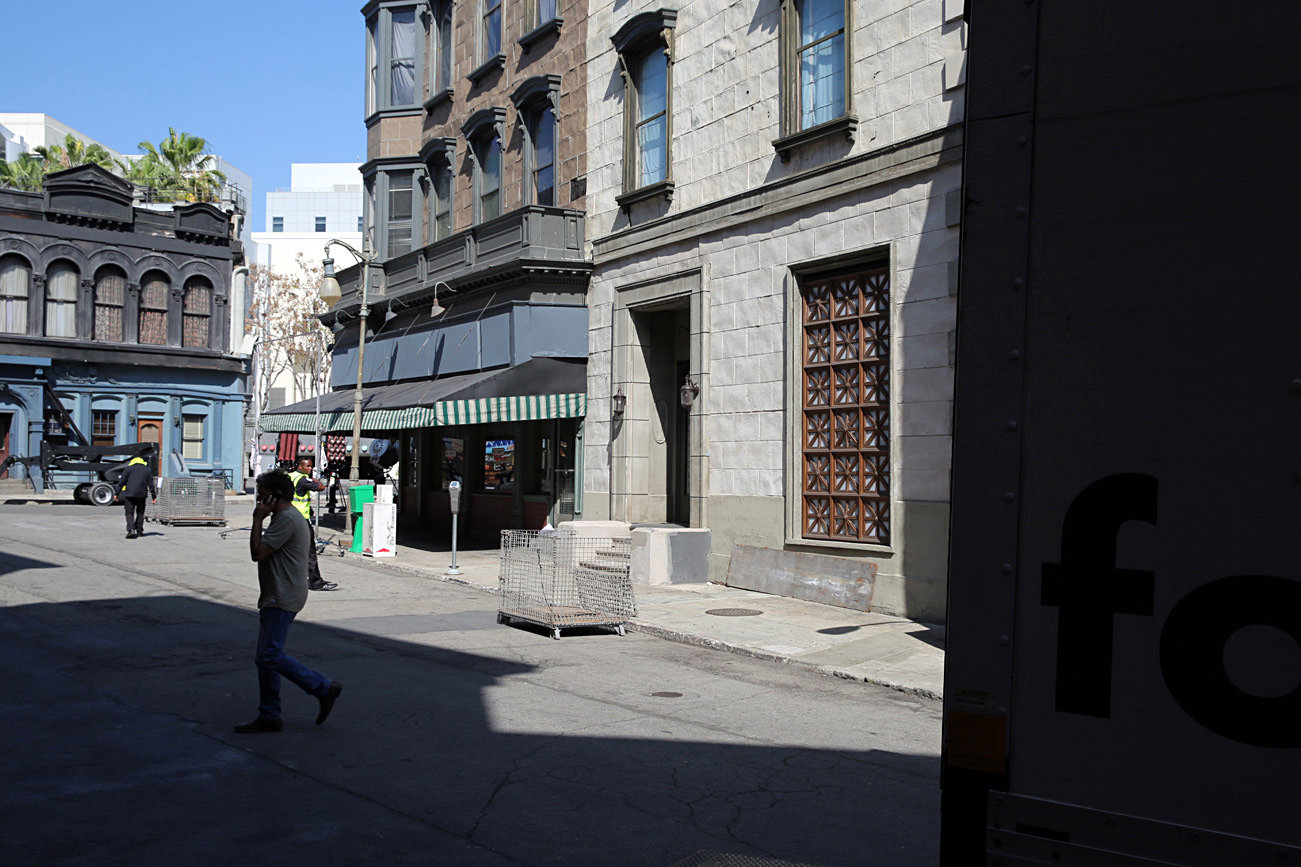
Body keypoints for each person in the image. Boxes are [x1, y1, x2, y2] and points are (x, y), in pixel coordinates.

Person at [235, 470, 342, 734]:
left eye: (263, 496)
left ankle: (322, 687)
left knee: (269, 655)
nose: (259, 502)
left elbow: (257, 553)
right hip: (277, 592)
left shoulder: (286, 520)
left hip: (282, 596)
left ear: (276, 495)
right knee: (265, 658)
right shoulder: (286, 517)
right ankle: (269, 714)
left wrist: (257, 519)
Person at [288, 457, 338, 592]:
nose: (310, 469)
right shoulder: (303, 480)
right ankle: (316, 582)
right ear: (300, 466)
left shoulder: (290, 476)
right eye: (308, 466)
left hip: (290, 518)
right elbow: (321, 487)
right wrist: (314, 479)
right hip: (302, 520)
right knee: (310, 552)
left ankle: (292, 579)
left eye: (311, 466)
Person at [118, 456, 156, 540]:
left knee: (129, 513)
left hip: (129, 494)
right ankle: (139, 531)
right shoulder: (147, 470)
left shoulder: (128, 469)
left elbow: (121, 482)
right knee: (140, 513)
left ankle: (131, 529)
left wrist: (116, 493)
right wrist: (154, 496)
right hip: (142, 495)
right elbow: (151, 484)